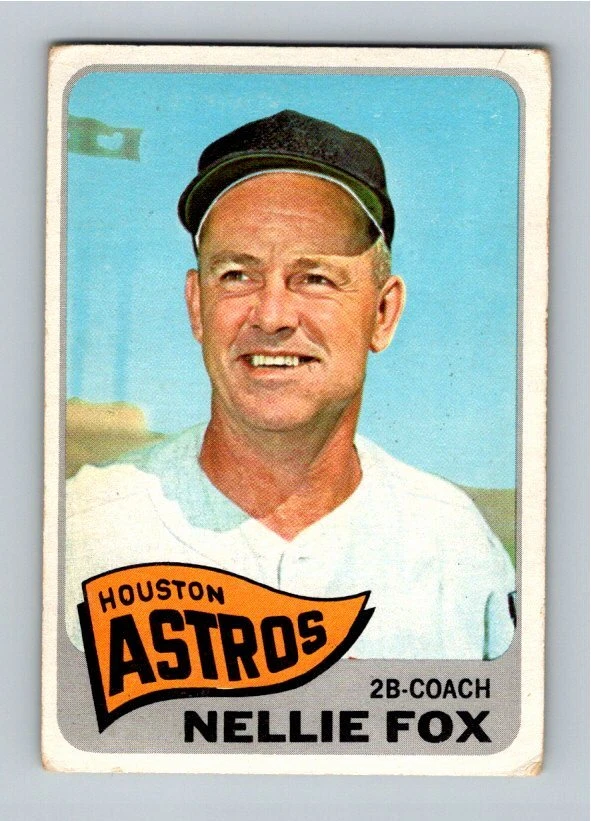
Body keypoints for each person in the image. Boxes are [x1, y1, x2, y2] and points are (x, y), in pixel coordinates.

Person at [66, 110, 515, 659]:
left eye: (315, 278)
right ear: (197, 306)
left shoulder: (457, 546)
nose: (272, 315)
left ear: (382, 313)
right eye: (237, 275)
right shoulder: (80, 529)